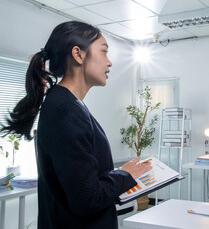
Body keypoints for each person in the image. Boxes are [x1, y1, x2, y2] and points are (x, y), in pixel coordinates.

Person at [1, 21, 152, 229]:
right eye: (104, 52)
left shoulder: (69, 105)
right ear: (78, 54)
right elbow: (87, 200)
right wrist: (126, 175)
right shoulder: (65, 109)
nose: (109, 62)